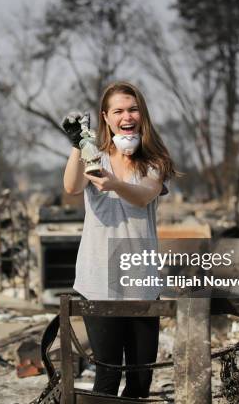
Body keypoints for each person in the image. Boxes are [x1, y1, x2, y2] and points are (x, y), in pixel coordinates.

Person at [61, 81, 177, 398]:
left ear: (142, 114)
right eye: (119, 111)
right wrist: (76, 144)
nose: (127, 116)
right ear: (106, 117)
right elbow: (71, 187)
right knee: (108, 379)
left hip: (141, 282)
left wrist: (114, 184)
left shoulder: (155, 162)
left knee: (140, 381)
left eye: (133, 109)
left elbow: (143, 195)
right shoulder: (93, 157)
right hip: (99, 282)